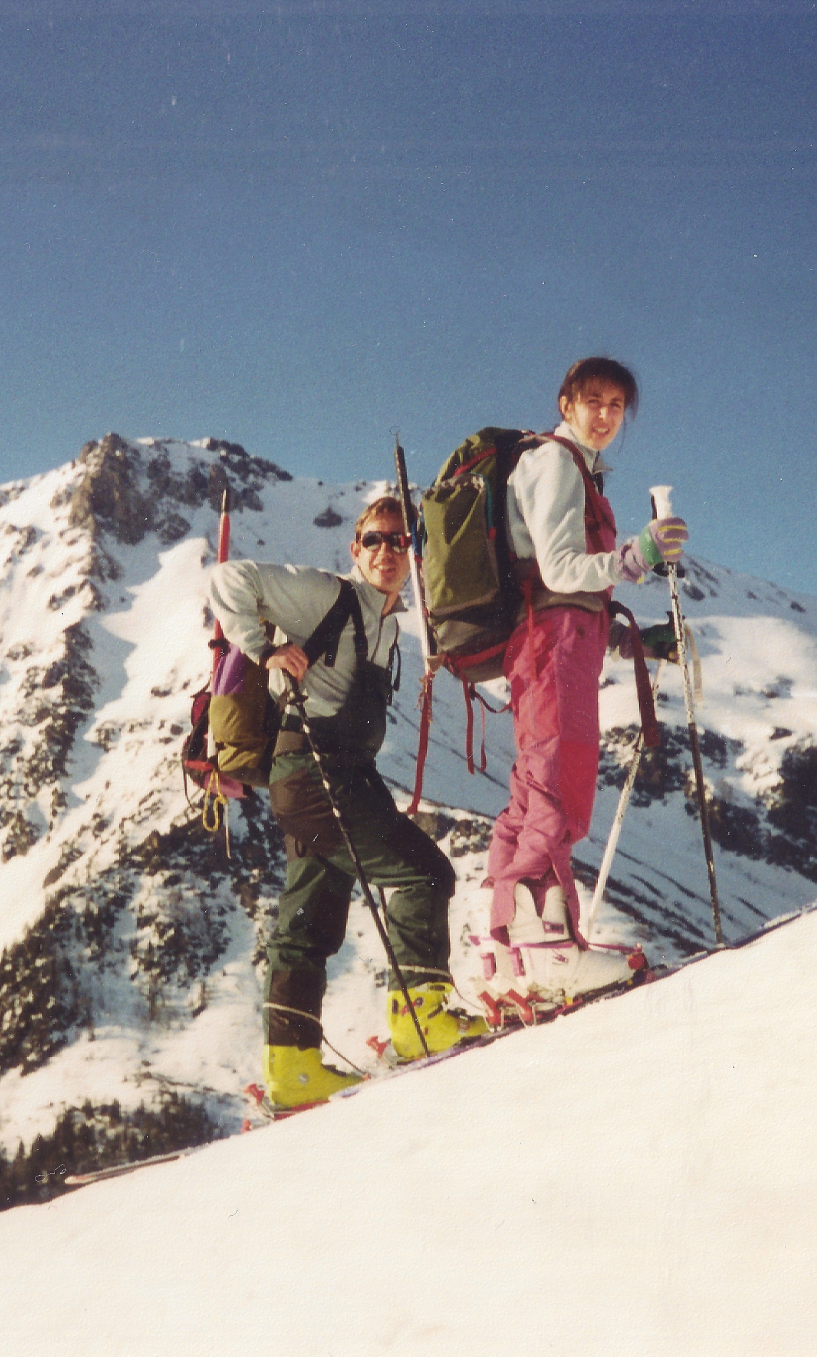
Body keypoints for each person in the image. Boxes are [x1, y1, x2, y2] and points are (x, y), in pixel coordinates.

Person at [209, 497, 490, 1109]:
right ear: (355, 548)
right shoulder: (325, 595)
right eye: (375, 541)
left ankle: (292, 1067)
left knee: (309, 917)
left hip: (332, 772)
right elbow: (227, 578)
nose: (387, 552)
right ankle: (422, 1022)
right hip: (314, 769)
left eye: (399, 541)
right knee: (424, 873)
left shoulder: (389, 621)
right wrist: (263, 649)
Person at [481, 356, 688, 1012]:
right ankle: (549, 953)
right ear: (565, 402)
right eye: (592, 400)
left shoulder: (573, 470)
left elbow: (564, 588)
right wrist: (636, 558)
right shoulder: (553, 462)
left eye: (616, 406)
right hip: (551, 646)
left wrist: (630, 641)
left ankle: (511, 950)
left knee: (533, 789)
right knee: (556, 782)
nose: (604, 415)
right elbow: (562, 568)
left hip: (557, 641)